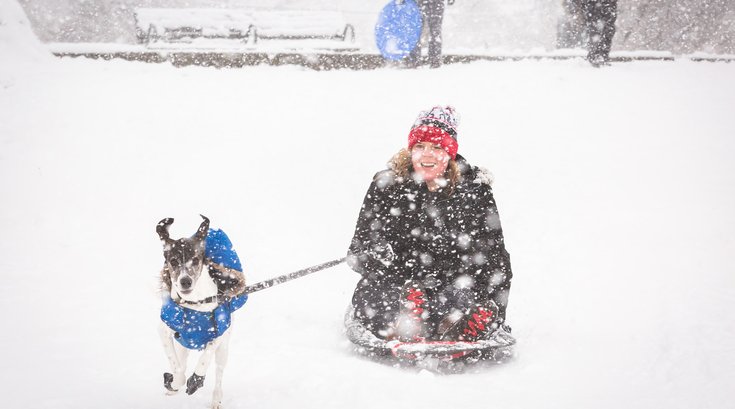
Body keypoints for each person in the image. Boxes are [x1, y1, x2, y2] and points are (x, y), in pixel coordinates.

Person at [346, 106, 513, 343]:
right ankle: (405, 321)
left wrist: (497, 313)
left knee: (463, 298)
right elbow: (358, 248)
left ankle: (461, 327)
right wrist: (374, 256)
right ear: (410, 149)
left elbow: (495, 259)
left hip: (452, 283)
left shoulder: (475, 191)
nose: (428, 155)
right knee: (375, 296)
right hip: (399, 281)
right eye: (420, 147)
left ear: (451, 153)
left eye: (437, 147)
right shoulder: (388, 186)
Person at [406, 0, 454, 68]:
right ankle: (435, 61)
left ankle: (415, 61)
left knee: (416, 30)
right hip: (436, 3)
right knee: (435, 31)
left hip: (420, 2)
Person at [580, 0, 617, 66]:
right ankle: (596, 54)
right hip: (595, 5)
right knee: (596, 29)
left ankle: (601, 54)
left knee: (607, 29)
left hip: (605, 5)